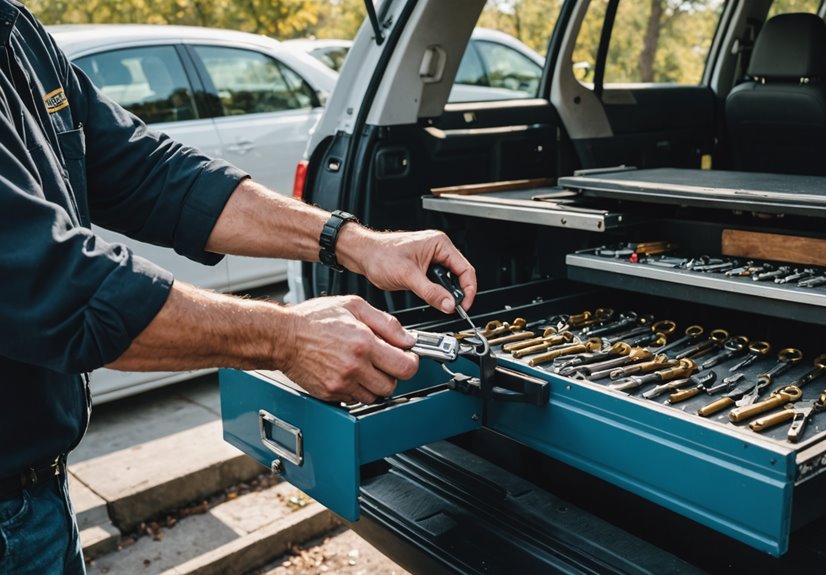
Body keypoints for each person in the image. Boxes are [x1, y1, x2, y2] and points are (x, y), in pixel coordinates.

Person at [0, 1, 477, 572]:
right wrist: (287, 336)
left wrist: (356, 242)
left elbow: (150, 174)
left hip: (38, 502)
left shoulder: (16, 32)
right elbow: (51, 286)